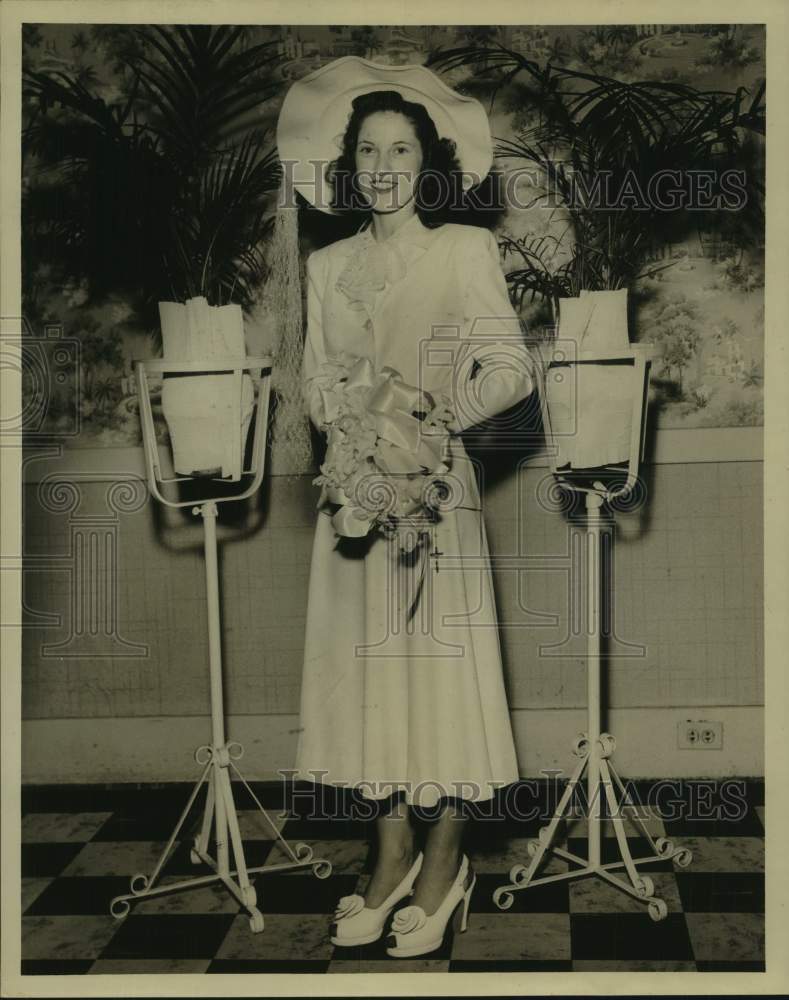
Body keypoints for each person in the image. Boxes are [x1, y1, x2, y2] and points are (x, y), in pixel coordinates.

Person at [276, 57, 537, 958]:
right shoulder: (327, 264)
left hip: (434, 493)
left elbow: (510, 369)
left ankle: (445, 862)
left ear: (426, 161)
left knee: (440, 673)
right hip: (352, 498)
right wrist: (350, 427)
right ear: (347, 164)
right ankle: (386, 860)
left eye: (400, 147)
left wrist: (433, 419)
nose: (383, 164)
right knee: (368, 685)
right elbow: (311, 381)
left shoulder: (463, 249)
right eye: (366, 149)